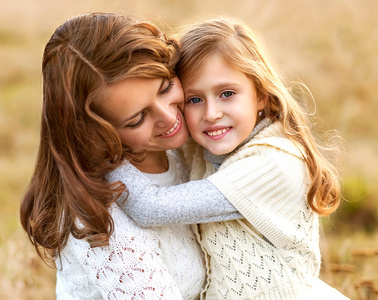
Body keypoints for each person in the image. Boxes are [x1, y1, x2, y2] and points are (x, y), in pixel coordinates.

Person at [110, 17, 350, 299]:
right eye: (194, 99)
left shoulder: (273, 163)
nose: (211, 114)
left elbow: (152, 207)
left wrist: (100, 155)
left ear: (261, 95)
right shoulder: (207, 146)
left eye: (227, 93)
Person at [19, 13, 243, 299]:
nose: (169, 116)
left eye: (165, 88)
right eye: (137, 119)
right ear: (97, 132)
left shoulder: (185, 147)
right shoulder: (100, 220)